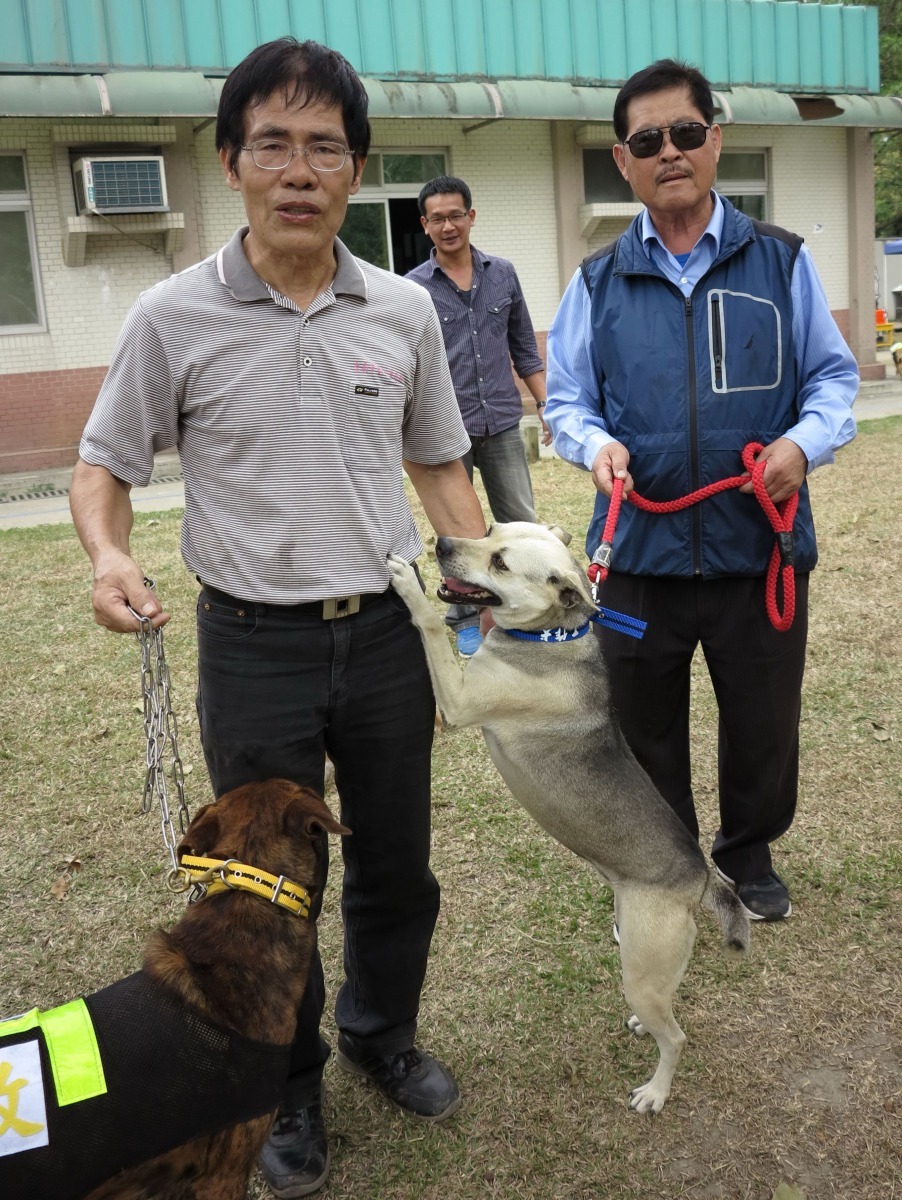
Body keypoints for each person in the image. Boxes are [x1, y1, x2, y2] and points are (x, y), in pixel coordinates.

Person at [69, 38, 487, 1199]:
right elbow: (103, 465)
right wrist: (109, 553)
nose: (298, 171)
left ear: (355, 170)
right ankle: (288, 1081)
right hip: (252, 641)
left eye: (323, 149)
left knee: (396, 865)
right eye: (273, 146)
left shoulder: (401, 311)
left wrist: (493, 586)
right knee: (261, 893)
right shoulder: (173, 315)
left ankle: (377, 1032)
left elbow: (442, 468)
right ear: (231, 162)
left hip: (391, 637)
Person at [545, 59, 858, 924]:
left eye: (686, 133)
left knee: (763, 722)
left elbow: (833, 383)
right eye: (648, 141)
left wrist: (801, 444)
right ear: (623, 160)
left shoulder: (781, 263)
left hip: (758, 554)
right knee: (641, 729)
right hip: (639, 559)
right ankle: (663, 863)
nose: (670, 152)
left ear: (714, 139)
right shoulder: (597, 281)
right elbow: (566, 400)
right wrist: (596, 445)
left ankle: (748, 856)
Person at [406, 176, 550, 657]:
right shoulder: (414, 289)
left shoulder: (503, 274)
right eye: (437, 218)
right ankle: (465, 617)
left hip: (504, 423)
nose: (448, 225)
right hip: (447, 431)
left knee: (521, 524)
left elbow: (524, 347)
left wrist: (546, 403)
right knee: (458, 535)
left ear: (471, 216)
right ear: (425, 225)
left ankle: (526, 610)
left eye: (456, 215)